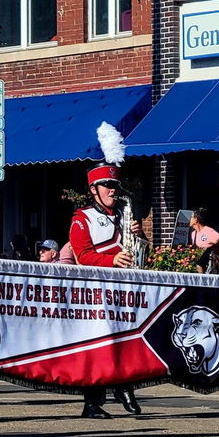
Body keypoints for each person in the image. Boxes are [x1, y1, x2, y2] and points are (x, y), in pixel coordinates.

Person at [68, 122, 145, 418]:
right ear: (93, 190)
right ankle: (92, 402)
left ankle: (125, 387)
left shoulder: (124, 214)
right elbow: (82, 256)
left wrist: (139, 236)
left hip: (125, 287)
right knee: (97, 347)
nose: (113, 190)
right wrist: (111, 261)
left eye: (114, 185)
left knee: (127, 340)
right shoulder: (82, 218)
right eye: (106, 186)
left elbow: (138, 251)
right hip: (96, 291)